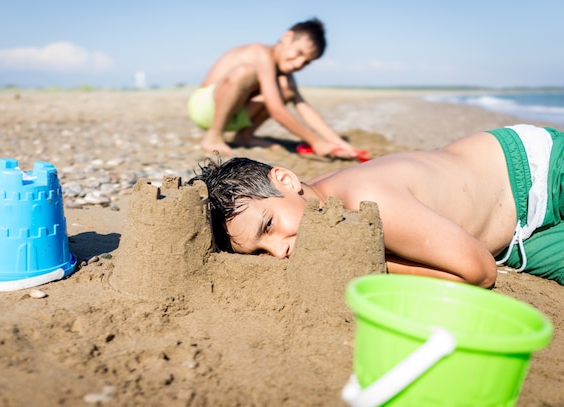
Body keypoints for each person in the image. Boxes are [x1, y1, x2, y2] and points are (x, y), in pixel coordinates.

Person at [189, 124, 564, 288]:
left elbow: (479, 274)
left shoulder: (371, 199)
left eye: (268, 227)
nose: (279, 251)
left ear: (286, 180)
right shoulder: (313, 209)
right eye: (260, 253)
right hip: (518, 239)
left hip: (536, 169)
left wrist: (366, 261)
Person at [187, 18, 358, 159]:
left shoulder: (284, 73)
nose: (299, 64)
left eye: (306, 62)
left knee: (286, 87)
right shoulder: (260, 52)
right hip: (206, 108)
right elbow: (277, 110)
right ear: (287, 37)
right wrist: (315, 142)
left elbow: (304, 108)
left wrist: (339, 143)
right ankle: (214, 135)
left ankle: (244, 136)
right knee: (245, 72)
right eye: (299, 53)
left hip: (235, 114)